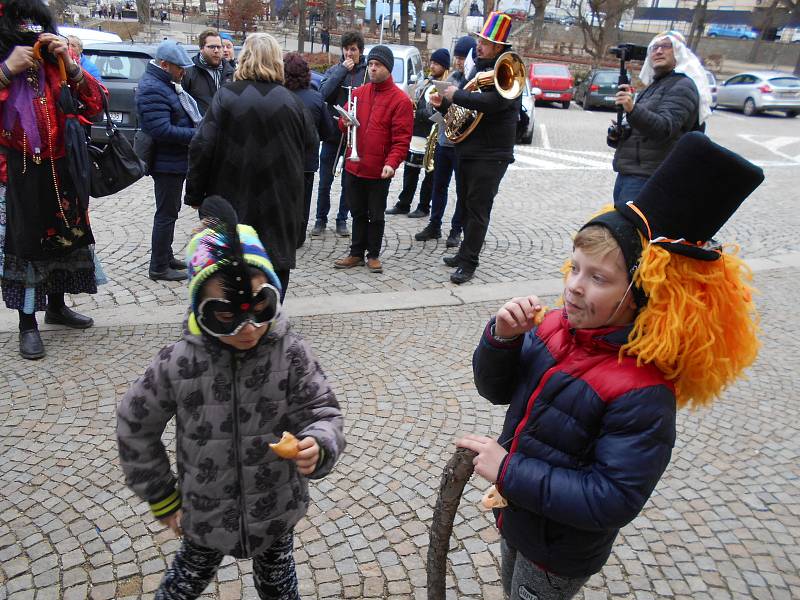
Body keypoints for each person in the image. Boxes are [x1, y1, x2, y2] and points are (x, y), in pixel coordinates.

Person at [458, 132, 763, 600]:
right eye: (575, 267)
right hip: (517, 513)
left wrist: (509, 472)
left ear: (642, 293)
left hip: (559, 549)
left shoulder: (642, 391)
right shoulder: (555, 326)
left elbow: (613, 498)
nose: (575, 286)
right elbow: (496, 389)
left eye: (599, 277)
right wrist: (501, 338)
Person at [118, 196, 345, 600]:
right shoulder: (179, 361)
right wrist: (164, 497)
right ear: (199, 307)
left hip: (274, 507)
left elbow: (321, 409)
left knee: (279, 586)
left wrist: (320, 443)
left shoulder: (289, 351)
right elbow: (135, 423)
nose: (247, 327)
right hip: (205, 512)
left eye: (261, 308)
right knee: (182, 585)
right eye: (225, 314)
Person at [0, 0, 105, 360]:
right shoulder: (7, 63)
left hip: (61, 168)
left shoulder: (55, 64)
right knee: (26, 247)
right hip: (15, 170)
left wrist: (71, 65)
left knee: (65, 239)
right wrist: (4, 70)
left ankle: (57, 307)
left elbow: (94, 105)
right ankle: (26, 324)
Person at [185, 33, 317, 301]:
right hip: (280, 198)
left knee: (229, 256)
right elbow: (311, 146)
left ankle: (229, 316)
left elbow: (201, 146)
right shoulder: (293, 102)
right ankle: (269, 314)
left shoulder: (225, 97)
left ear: (244, 57)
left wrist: (196, 196)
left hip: (232, 192)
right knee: (275, 259)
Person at [430, 12, 519, 284]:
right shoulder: (479, 68)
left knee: (478, 209)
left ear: (499, 48)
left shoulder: (508, 71)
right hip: (469, 150)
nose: (479, 45)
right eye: (480, 39)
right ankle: (463, 253)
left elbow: (495, 104)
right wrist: (444, 105)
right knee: (467, 205)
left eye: (486, 42)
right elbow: (464, 109)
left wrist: (456, 94)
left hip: (491, 154)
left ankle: (469, 262)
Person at [332, 45, 412, 274]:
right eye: (371, 65)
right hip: (354, 165)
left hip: (378, 169)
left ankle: (373, 254)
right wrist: (343, 122)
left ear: (388, 68)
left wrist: (392, 163)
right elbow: (342, 120)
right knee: (357, 212)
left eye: (377, 65)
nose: (372, 69)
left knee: (376, 215)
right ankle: (356, 253)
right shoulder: (358, 93)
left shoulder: (400, 101)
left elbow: (401, 139)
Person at [610, 30, 711, 206]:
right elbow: (641, 131)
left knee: (635, 231)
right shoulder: (653, 87)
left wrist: (632, 109)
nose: (658, 51)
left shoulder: (683, 86)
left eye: (666, 46)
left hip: (650, 177)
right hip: (630, 172)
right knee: (624, 229)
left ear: (679, 52)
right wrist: (617, 134)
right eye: (654, 47)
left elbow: (664, 128)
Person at [136, 39, 201, 282]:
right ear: (165, 65)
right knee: (165, 214)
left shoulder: (165, 83)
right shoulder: (154, 87)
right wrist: (196, 135)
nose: (183, 72)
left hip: (173, 160)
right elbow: (161, 130)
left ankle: (166, 256)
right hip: (166, 163)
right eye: (179, 67)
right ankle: (159, 267)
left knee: (169, 212)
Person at [414, 36, 474, 247]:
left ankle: (456, 230)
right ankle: (434, 224)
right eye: (457, 57)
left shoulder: (473, 81)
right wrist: (434, 104)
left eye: (462, 57)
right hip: (443, 141)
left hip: (462, 145)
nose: (459, 62)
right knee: (439, 185)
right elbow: (434, 109)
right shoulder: (451, 79)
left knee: (461, 191)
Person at [313, 31, 367, 238]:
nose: (349, 53)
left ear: (360, 51)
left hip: (354, 136)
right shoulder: (334, 69)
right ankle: (320, 219)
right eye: (346, 49)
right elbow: (322, 94)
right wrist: (341, 72)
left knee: (348, 182)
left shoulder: (366, 74)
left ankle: (342, 219)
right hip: (332, 134)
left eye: (353, 49)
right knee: (325, 180)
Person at [385, 48, 450, 219]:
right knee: (410, 170)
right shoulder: (427, 82)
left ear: (444, 66)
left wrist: (418, 113)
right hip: (417, 133)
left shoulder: (444, 85)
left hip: (431, 135)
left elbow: (436, 112)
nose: (432, 66)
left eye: (436, 64)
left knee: (429, 174)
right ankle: (403, 203)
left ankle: (423, 206)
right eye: (432, 62)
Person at [283, 52, 336, 249]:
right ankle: (298, 235)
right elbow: (327, 132)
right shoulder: (315, 98)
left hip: (283, 159)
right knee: (303, 199)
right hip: (306, 160)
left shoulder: (277, 94)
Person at [182, 29, 235, 116]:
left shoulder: (231, 72)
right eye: (211, 47)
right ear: (201, 48)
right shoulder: (188, 72)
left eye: (219, 47)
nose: (216, 50)